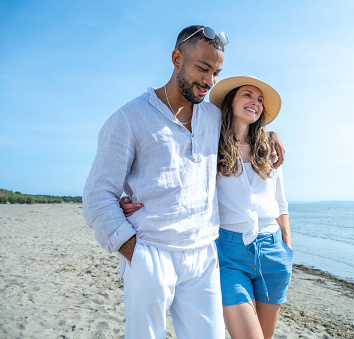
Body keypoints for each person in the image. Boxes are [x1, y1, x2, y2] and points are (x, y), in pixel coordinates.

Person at [83, 25, 284, 339]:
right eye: (202, 68)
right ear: (177, 58)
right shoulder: (128, 119)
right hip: (151, 253)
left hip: (204, 258)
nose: (209, 81)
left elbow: (244, 127)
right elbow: (98, 195)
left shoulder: (213, 117)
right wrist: (133, 249)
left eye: (216, 72)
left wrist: (269, 136)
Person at [122, 76, 293, 339]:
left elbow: (281, 204)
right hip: (229, 253)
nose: (255, 103)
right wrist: (135, 201)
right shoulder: (210, 145)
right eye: (247, 95)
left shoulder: (268, 149)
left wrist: (287, 250)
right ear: (231, 101)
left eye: (259, 100)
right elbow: (177, 177)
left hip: (273, 252)